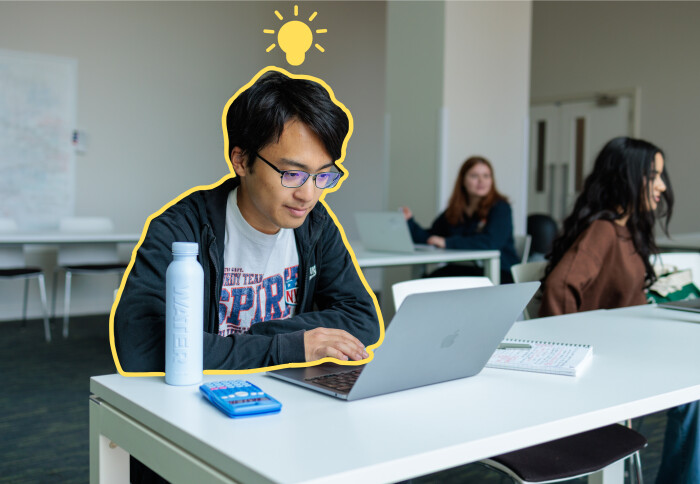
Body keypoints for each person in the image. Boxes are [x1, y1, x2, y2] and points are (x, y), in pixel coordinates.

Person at [114, 70, 380, 373]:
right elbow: (141, 347)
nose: (308, 194)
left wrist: (248, 343)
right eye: (292, 174)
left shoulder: (314, 224)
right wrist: (290, 345)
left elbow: (362, 319)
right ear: (241, 160)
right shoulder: (180, 231)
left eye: (323, 175)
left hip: (284, 394)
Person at [539, 136, 697, 484]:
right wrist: (568, 353)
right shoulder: (603, 230)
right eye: (653, 176)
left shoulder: (628, 230)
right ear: (627, 176)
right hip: (609, 364)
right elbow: (559, 286)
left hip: (632, 350)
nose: (662, 186)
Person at [401, 156, 519, 283]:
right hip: (464, 269)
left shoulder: (501, 208)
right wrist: (409, 222)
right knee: (423, 283)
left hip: (499, 272)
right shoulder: (456, 211)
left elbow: (491, 242)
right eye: (474, 176)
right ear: (463, 180)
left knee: (435, 285)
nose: (481, 181)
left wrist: (447, 243)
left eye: (486, 176)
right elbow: (432, 237)